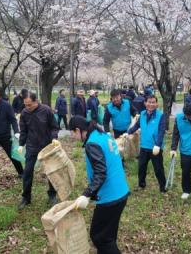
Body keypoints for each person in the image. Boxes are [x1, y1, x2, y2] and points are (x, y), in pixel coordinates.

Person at [70, 116, 129, 254]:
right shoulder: (102, 135)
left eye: (72, 132)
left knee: (99, 238)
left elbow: (100, 173)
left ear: (78, 130)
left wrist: (87, 194)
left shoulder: (92, 143)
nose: (72, 136)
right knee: (109, 235)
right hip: (120, 191)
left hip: (111, 197)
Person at [17, 92, 59, 208]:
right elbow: (24, 130)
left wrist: (54, 138)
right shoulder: (24, 113)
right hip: (31, 146)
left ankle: (52, 194)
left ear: (36, 101)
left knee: (50, 171)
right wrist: (21, 144)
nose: (27, 107)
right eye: (25, 105)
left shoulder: (46, 110)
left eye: (29, 104)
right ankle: (26, 197)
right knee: (27, 172)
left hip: (46, 145)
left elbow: (54, 127)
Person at [127, 95, 167, 193]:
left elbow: (162, 131)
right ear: (145, 103)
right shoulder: (142, 114)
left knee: (158, 169)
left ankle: (162, 187)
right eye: (149, 102)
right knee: (141, 167)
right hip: (144, 146)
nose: (151, 104)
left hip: (155, 148)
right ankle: (141, 185)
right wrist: (128, 132)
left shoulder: (160, 115)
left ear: (156, 104)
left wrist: (158, 145)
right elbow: (137, 125)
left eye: (153, 102)